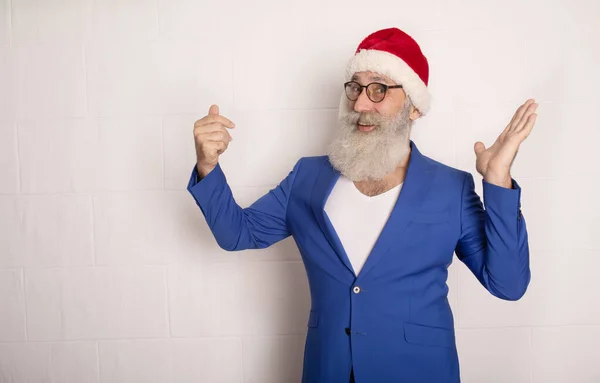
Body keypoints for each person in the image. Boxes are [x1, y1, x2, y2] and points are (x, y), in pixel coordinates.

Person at [187, 27, 537, 383]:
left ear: (414, 107)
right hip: (329, 371)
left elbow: (507, 284)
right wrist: (208, 167)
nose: (360, 104)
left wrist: (497, 180)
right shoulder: (307, 177)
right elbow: (238, 233)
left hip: (420, 372)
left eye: (379, 89)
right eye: (355, 87)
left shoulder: (452, 188)